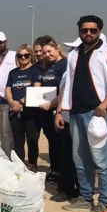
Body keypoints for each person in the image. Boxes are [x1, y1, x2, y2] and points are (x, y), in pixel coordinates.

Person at [57, 15, 107, 212]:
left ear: (99, 31)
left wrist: (103, 106)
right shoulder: (74, 54)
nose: (89, 33)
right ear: (79, 32)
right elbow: (67, 84)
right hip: (75, 112)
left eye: (93, 30)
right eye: (85, 30)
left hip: (98, 114)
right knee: (80, 159)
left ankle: (104, 203)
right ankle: (85, 197)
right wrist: (61, 110)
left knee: (102, 160)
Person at [37, 39, 68, 192]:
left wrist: (52, 104)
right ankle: (54, 169)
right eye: (44, 53)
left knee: (60, 142)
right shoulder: (48, 67)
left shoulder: (64, 64)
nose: (47, 55)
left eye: (49, 51)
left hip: (57, 109)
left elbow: (65, 90)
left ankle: (62, 172)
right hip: (46, 110)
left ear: (57, 49)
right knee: (52, 141)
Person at [6, 45, 42, 170]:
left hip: (31, 111)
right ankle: (19, 165)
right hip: (15, 110)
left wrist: (23, 101)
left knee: (32, 139)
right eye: (20, 55)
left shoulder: (36, 70)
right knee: (18, 140)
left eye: (26, 55)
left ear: (31, 56)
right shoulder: (13, 72)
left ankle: (32, 164)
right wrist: (11, 102)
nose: (23, 58)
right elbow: (8, 89)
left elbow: (37, 88)